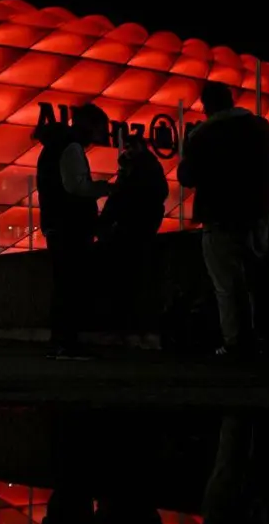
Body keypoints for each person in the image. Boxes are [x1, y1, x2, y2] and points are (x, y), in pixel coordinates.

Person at [177, 81, 269, 357]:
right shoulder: (260, 127)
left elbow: (187, 177)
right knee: (258, 279)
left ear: (206, 106)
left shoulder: (203, 135)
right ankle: (265, 339)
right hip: (257, 213)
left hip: (219, 215)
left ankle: (236, 343)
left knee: (227, 284)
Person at [36, 104, 112, 359]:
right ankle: (67, 344)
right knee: (71, 285)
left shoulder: (52, 146)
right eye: (101, 129)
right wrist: (107, 188)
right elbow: (76, 186)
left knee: (62, 285)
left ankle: (58, 343)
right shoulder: (71, 147)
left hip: (56, 223)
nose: (102, 136)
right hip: (71, 224)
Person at [96, 135, 171, 330]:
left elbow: (119, 198)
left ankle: (124, 320)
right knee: (134, 276)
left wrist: (105, 223)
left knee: (126, 276)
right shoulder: (150, 169)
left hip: (131, 228)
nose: (127, 150)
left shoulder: (138, 171)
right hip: (140, 227)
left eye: (130, 146)